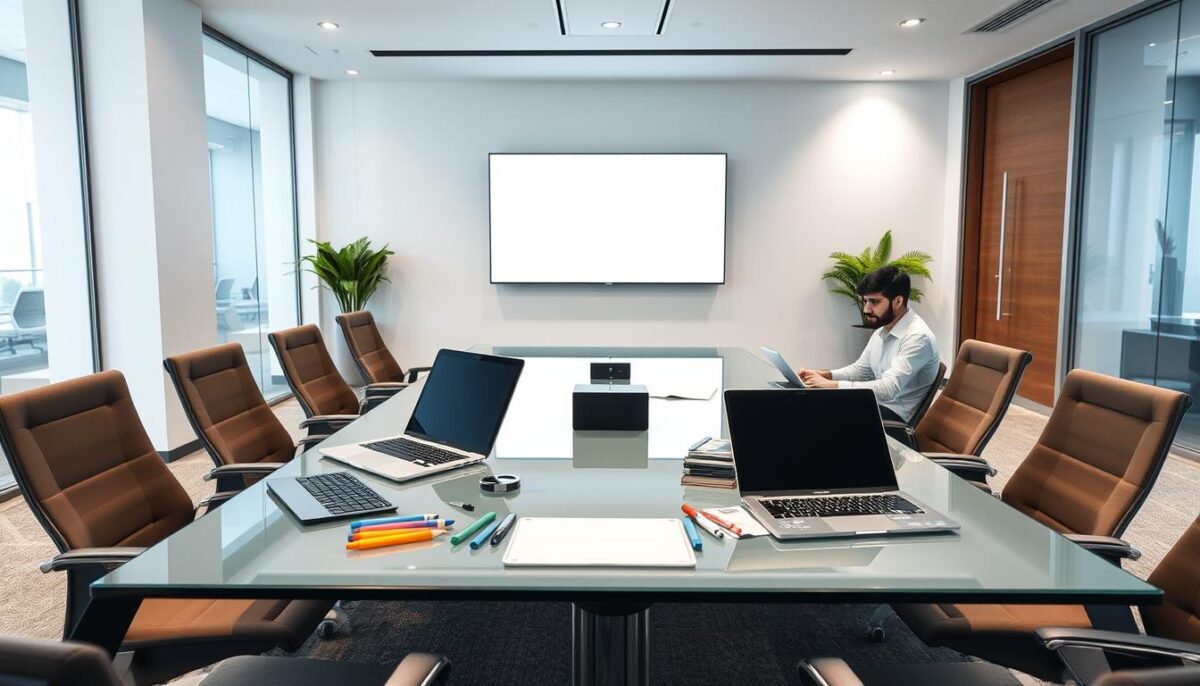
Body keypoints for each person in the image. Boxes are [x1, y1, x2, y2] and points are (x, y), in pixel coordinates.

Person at [798, 265, 940, 424]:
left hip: (893, 419)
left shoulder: (917, 338)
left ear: (898, 301)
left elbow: (888, 389)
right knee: (807, 404)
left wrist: (832, 385)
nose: (866, 309)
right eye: (865, 301)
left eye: (874, 301)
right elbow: (860, 371)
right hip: (875, 406)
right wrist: (823, 375)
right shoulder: (882, 330)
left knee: (817, 415)